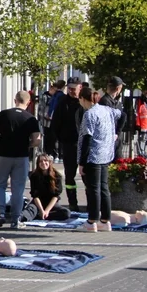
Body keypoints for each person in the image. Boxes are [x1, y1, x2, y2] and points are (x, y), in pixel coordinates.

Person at [0, 91, 41, 229]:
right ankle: (15, 219)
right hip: (21, 156)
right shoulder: (31, 118)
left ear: (15, 100)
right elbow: (37, 140)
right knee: (18, 188)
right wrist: (28, 144)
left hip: (3, 155)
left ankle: (0, 214)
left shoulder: (3, 114)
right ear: (28, 102)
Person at [77, 86, 122, 232]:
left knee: (93, 189)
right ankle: (105, 220)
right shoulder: (106, 110)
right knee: (103, 188)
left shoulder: (89, 114)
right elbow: (123, 115)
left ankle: (91, 221)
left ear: (83, 99)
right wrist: (115, 133)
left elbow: (87, 138)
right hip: (105, 154)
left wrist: (82, 162)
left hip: (93, 155)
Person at [50, 77, 84, 211]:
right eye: (69, 88)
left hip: (84, 145)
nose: (71, 91)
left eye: (73, 88)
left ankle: (90, 202)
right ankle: (73, 202)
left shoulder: (84, 102)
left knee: (86, 175)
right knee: (70, 176)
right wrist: (61, 139)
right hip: (69, 144)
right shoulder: (63, 102)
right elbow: (55, 124)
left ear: (80, 87)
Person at [24, 154, 70, 221]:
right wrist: (41, 210)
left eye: (45, 161)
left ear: (49, 162)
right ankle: (39, 214)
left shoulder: (57, 176)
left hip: (51, 203)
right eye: (41, 161)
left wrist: (46, 211)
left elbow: (56, 196)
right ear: (38, 164)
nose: (43, 163)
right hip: (38, 202)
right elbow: (35, 196)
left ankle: (42, 215)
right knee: (26, 213)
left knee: (66, 213)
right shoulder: (34, 176)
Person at [98, 76, 126, 160]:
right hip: (109, 139)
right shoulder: (105, 101)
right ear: (118, 88)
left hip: (116, 139)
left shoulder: (115, 102)